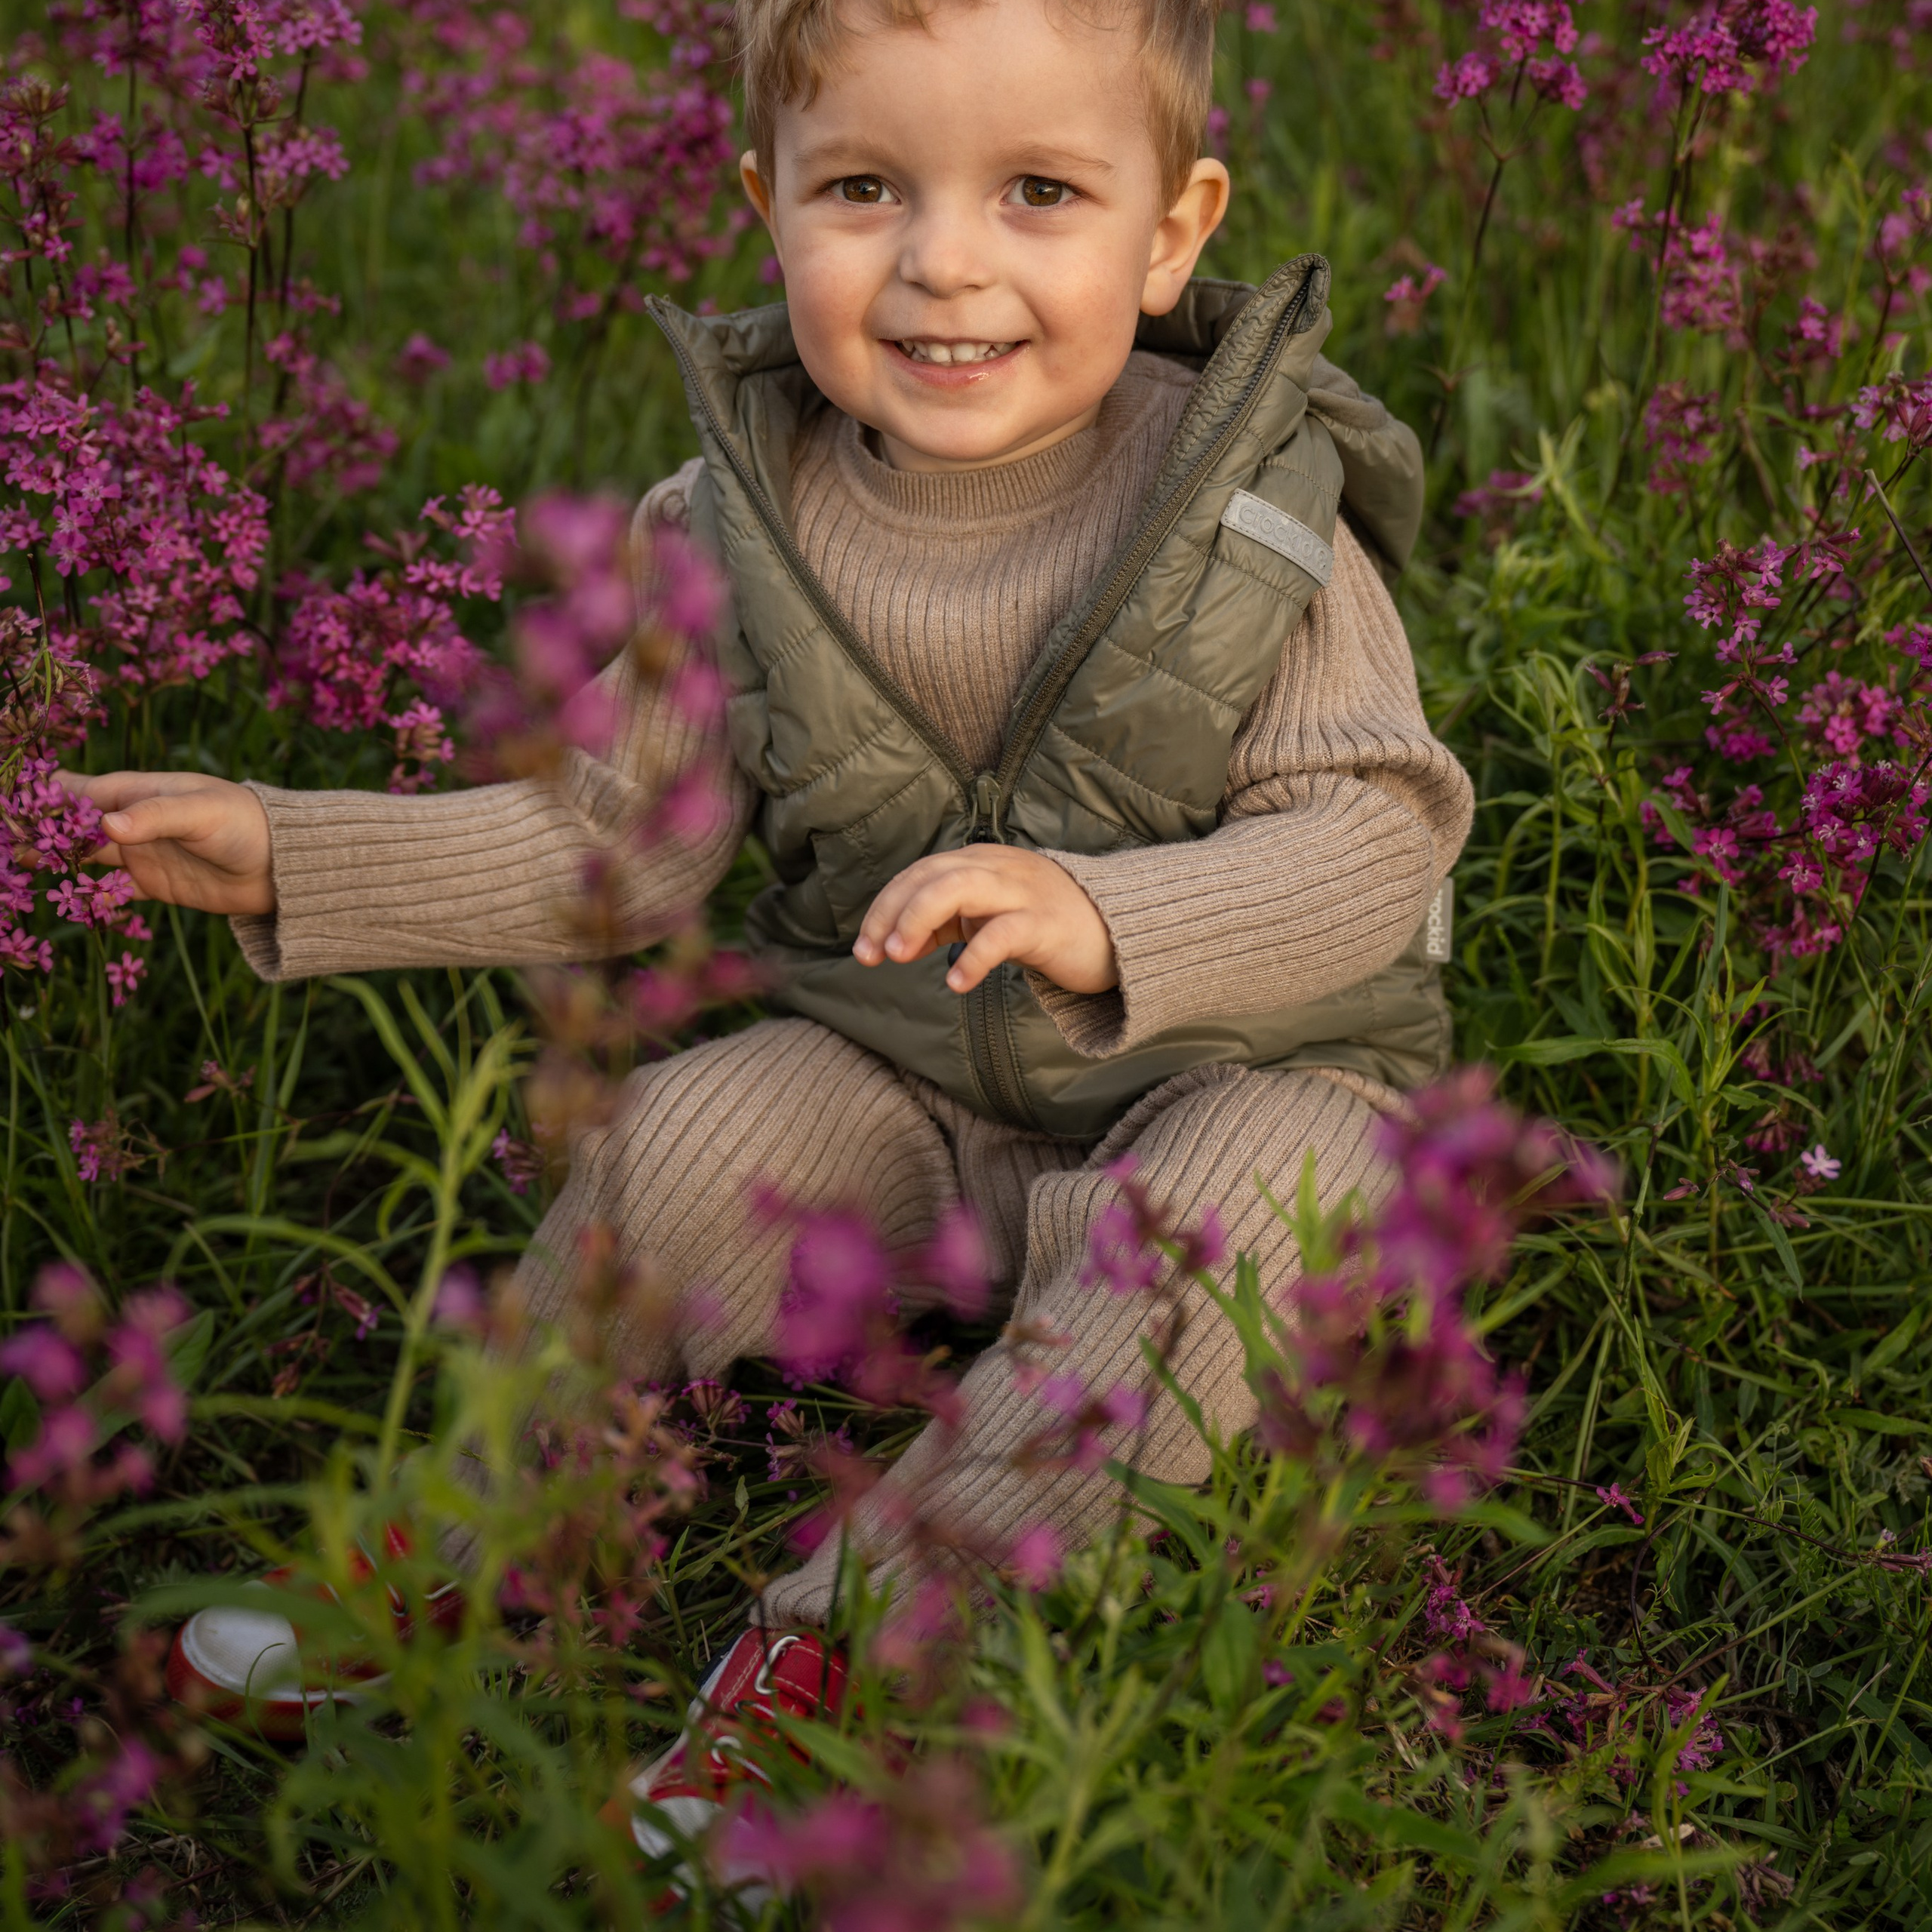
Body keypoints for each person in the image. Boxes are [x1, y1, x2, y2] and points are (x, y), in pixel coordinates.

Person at [68, 0, 1472, 1847]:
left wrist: (1105, 908)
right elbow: (620, 847)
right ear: (765, 203)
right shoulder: (733, 516)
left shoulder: (1252, 511)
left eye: (1038, 190)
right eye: (865, 188)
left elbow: (1373, 835)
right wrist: (291, 850)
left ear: (1172, 229)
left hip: (1254, 1068)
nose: (940, 261)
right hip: (899, 1062)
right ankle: (491, 1517)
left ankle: (856, 1665)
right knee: (676, 1140)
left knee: (1227, 1233)